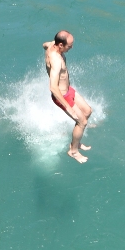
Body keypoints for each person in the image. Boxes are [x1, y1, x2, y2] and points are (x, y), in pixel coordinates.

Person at [43, 30, 93, 163]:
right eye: (69, 46)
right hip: (62, 96)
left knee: (88, 111)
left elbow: (45, 44)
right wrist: (69, 108)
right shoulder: (56, 60)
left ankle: (75, 142)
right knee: (82, 122)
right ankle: (73, 151)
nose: (71, 47)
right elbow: (53, 88)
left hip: (68, 90)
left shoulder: (51, 44)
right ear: (60, 45)